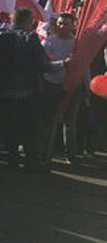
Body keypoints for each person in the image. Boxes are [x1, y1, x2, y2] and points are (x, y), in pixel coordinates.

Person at [0, 8, 66, 171]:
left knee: (10, 128)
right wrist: (63, 63)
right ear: (28, 21)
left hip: (5, 91)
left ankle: (12, 161)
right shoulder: (30, 38)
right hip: (28, 91)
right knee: (29, 128)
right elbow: (44, 65)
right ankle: (31, 162)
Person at [41, 13, 78, 163]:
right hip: (51, 84)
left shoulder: (77, 43)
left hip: (72, 85)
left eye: (66, 24)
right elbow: (45, 65)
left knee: (70, 122)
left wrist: (87, 85)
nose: (62, 26)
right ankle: (46, 152)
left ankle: (71, 155)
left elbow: (84, 66)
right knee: (50, 120)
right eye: (60, 23)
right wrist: (63, 63)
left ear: (73, 25)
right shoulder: (49, 41)